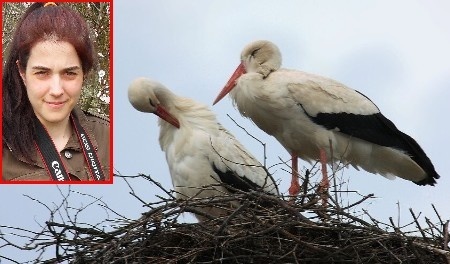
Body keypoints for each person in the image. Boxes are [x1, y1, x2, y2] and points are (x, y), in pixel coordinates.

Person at [2, 2, 110, 182]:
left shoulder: (108, 135)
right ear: (23, 73)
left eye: (69, 73)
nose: (57, 90)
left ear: (83, 73)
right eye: (42, 73)